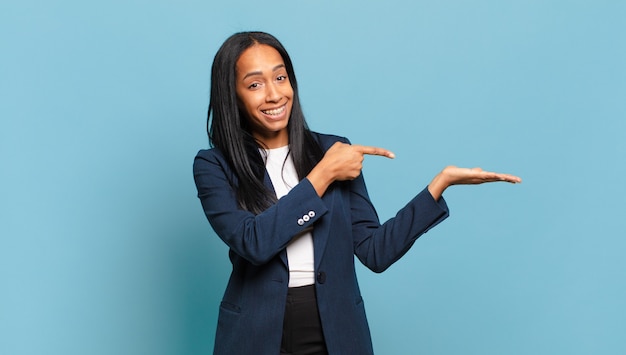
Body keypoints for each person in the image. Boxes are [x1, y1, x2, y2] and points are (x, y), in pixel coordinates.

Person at [193, 31, 521, 355]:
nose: (274, 94)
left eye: (280, 78)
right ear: (232, 95)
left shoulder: (332, 149)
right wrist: (322, 175)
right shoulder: (214, 166)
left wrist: (438, 186)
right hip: (256, 333)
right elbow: (253, 242)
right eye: (254, 84)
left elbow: (373, 251)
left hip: (335, 326)